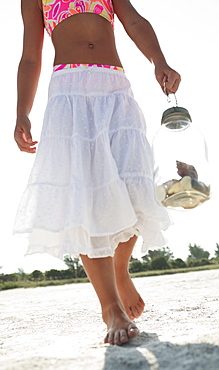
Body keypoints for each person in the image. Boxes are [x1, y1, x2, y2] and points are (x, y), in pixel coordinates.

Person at [14, 0, 181, 345]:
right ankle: (110, 308)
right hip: (69, 90)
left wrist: (159, 62)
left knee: (134, 183)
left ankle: (120, 270)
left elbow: (133, 21)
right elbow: (31, 56)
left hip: (115, 88)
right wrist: (22, 112)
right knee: (85, 196)